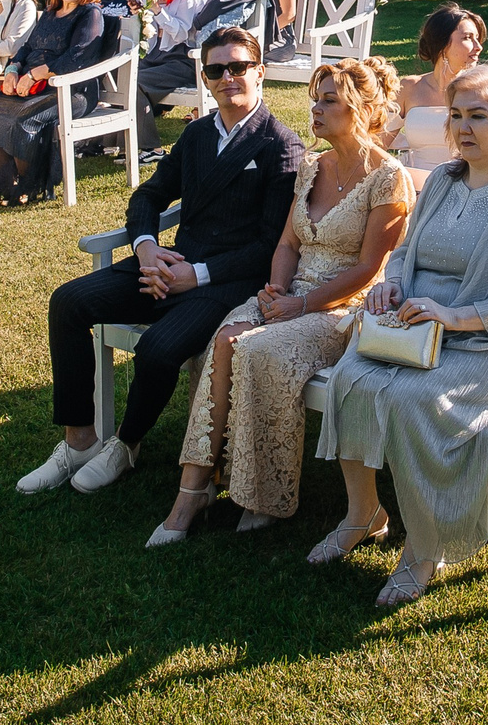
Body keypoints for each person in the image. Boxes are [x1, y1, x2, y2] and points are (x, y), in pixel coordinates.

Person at [313, 66, 488, 607]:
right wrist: (390, 287)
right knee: (350, 378)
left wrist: (454, 317)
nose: (464, 126)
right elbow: (405, 254)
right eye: (457, 115)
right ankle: (364, 515)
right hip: (416, 329)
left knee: (414, 401)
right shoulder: (441, 180)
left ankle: (425, 549)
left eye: (480, 115)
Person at [21, 24, 304, 497]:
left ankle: (127, 444)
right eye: (216, 69)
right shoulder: (195, 134)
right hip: (165, 264)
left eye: (238, 67)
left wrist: (196, 275)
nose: (227, 77)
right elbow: (149, 195)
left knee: (157, 349)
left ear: (260, 73)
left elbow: (270, 244)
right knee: (68, 301)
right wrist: (147, 249)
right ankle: (79, 440)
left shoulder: (281, 145)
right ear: (206, 77)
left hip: (224, 283)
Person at [154, 57, 412, 544]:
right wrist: (276, 291)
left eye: (329, 100)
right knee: (227, 337)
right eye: (315, 99)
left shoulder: (388, 177)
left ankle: (261, 493)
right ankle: (195, 488)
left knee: (257, 349)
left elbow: (369, 269)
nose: (315, 109)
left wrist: (304, 303)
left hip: (343, 309)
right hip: (289, 293)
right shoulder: (313, 166)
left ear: (361, 108)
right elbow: (289, 244)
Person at [0, 0, 108, 203]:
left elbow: (75, 59)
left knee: (25, 120)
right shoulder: (51, 12)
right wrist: (13, 70)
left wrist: (34, 74)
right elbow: (26, 47)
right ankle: (9, 178)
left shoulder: (90, 14)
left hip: (73, 91)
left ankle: (30, 186)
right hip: (34, 86)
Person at [132, 0, 206, 137]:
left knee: (135, 82)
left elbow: (182, 33)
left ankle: (147, 145)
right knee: (120, 76)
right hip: (155, 53)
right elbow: (151, 32)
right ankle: (106, 140)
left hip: (183, 58)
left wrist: (157, 10)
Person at [394, 4, 485, 161]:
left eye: (477, 38)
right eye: (468, 38)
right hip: (413, 178)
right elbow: (376, 142)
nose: (479, 47)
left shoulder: (482, 91)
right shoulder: (409, 87)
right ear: (442, 44)